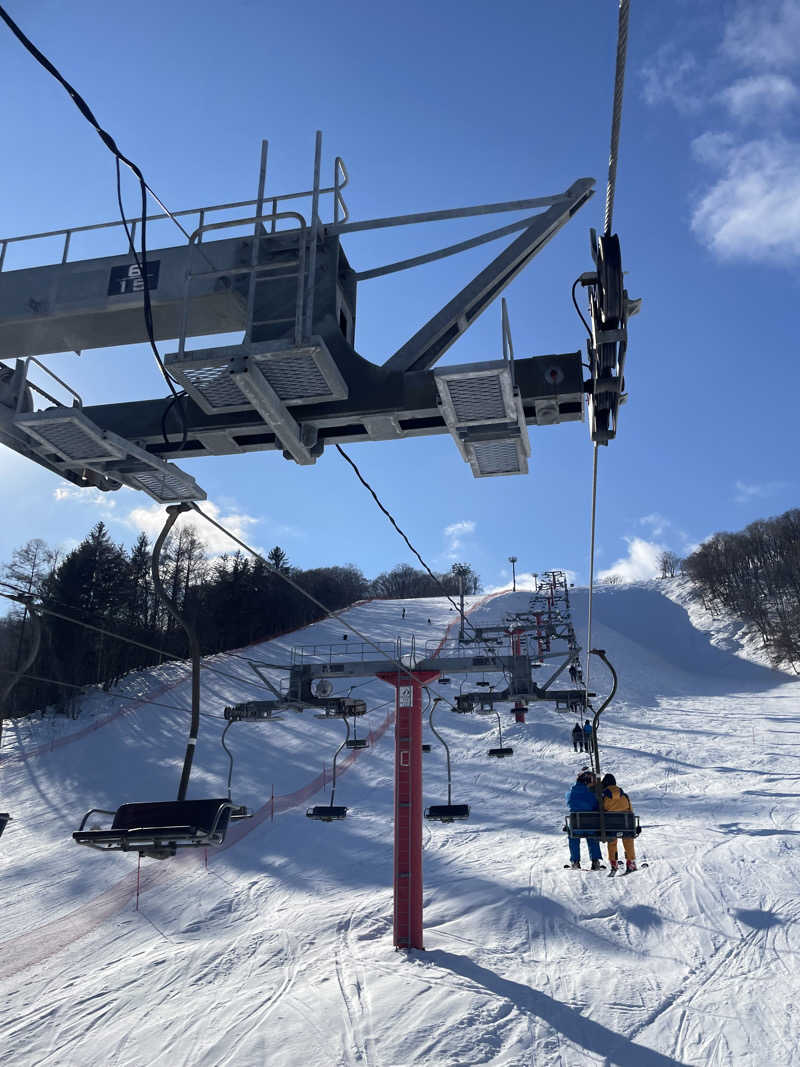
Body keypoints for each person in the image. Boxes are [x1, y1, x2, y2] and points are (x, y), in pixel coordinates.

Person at [565, 770, 604, 870]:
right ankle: (595, 861)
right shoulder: (590, 793)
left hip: (576, 825)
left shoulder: (571, 792)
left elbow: (569, 804)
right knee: (592, 837)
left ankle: (575, 861)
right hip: (590, 825)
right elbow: (596, 805)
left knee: (573, 838)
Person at [601, 773, 637, 872]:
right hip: (625, 826)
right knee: (628, 840)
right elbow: (631, 811)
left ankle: (613, 862)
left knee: (612, 841)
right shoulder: (624, 795)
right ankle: (630, 862)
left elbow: (601, 810)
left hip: (610, 826)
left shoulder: (604, 796)